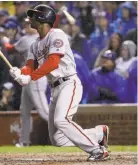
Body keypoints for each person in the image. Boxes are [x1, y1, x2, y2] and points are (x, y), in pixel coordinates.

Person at [9, 4, 109, 161]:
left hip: (69, 83)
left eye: (35, 15)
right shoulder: (34, 45)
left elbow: (53, 62)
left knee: (61, 120)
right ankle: (97, 134)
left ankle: (97, 150)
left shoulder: (57, 34)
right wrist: (19, 72)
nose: (31, 19)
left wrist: (30, 77)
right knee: (57, 139)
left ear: (43, 18)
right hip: (55, 88)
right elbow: (30, 67)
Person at [7, 18, 49, 147]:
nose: (27, 26)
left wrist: (6, 40)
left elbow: (10, 49)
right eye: (25, 24)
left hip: (35, 77)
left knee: (44, 112)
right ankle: (24, 141)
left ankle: (68, 134)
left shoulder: (30, 39)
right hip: (29, 77)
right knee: (24, 111)